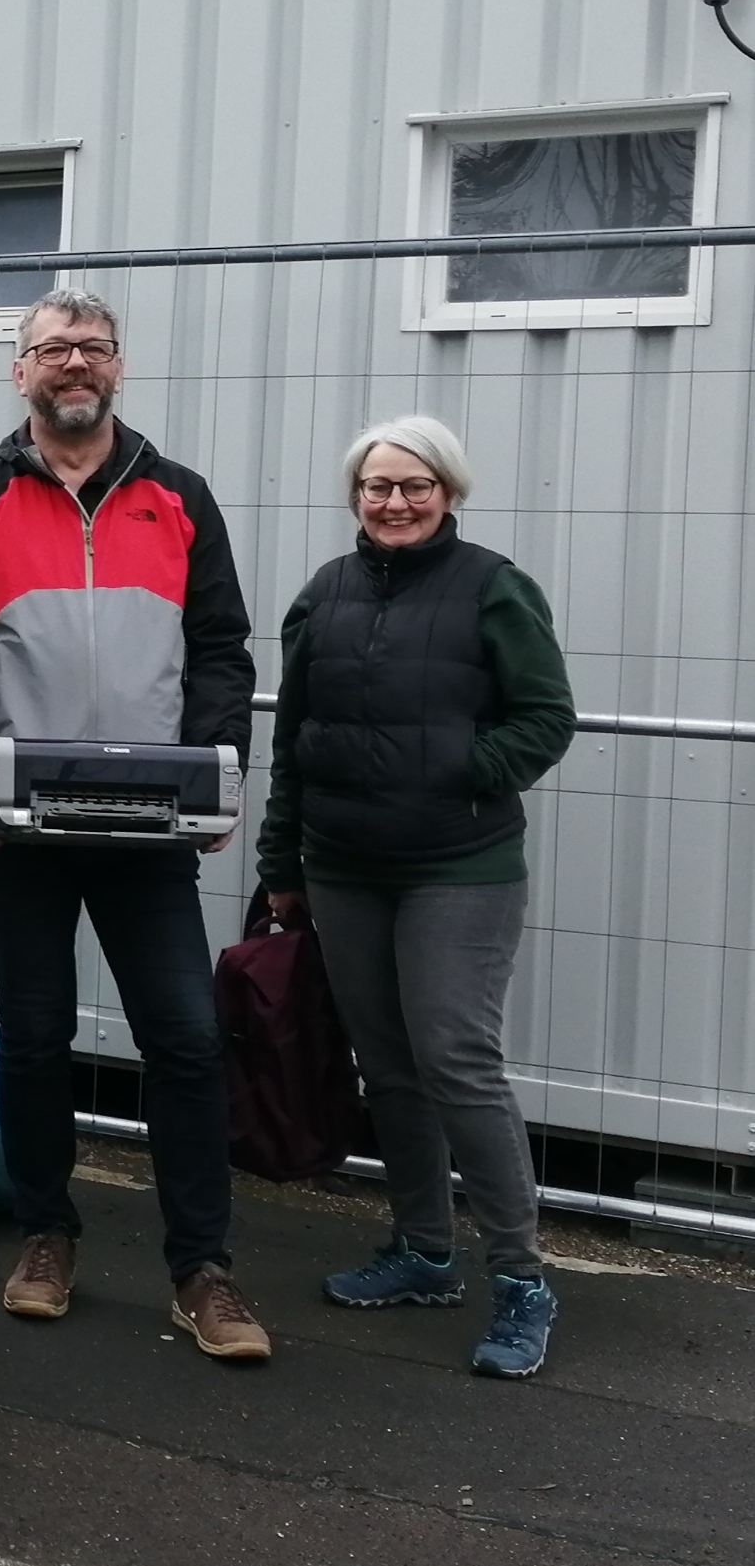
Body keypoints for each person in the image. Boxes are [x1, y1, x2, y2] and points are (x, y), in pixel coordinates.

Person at [0, 288, 268, 1360]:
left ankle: (201, 1266)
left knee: (187, 1040)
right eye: (53, 347)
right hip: (20, 825)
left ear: (117, 367)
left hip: (149, 829)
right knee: (33, 1036)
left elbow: (219, 649)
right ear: (18, 371)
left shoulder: (178, 495)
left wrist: (210, 773)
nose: (74, 362)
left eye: (92, 347)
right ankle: (43, 1233)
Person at [256, 416, 574, 1380]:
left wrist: (461, 770)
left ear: (447, 489)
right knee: (386, 1067)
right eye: (376, 486)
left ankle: (520, 1279)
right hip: (344, 868)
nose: (394, 502)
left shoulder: (492, 587)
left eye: (414, 485)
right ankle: (423, 1252)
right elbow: (293, 736)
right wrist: (283, 861)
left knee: (454, 1058)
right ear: (356, 495)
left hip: (457, 864)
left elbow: (545, 715)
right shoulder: (325, 592)